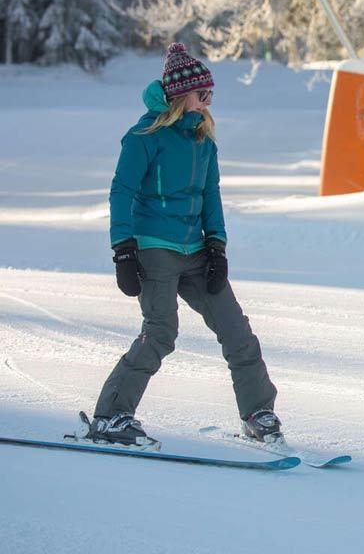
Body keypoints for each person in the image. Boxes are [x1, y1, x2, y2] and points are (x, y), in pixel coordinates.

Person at [84, 43, 281, 447]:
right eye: (202, 94)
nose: (209, 102)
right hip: (155, 247)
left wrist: (217, 247)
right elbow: (121, 192)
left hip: (196, 251)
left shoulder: (203, 142)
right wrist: (123, 248)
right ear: (180, 97)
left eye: (211, 95)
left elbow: (212, 196)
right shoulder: (143, 137)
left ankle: (258, 413)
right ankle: (110, 417)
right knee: (160, 332)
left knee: (237, 332)